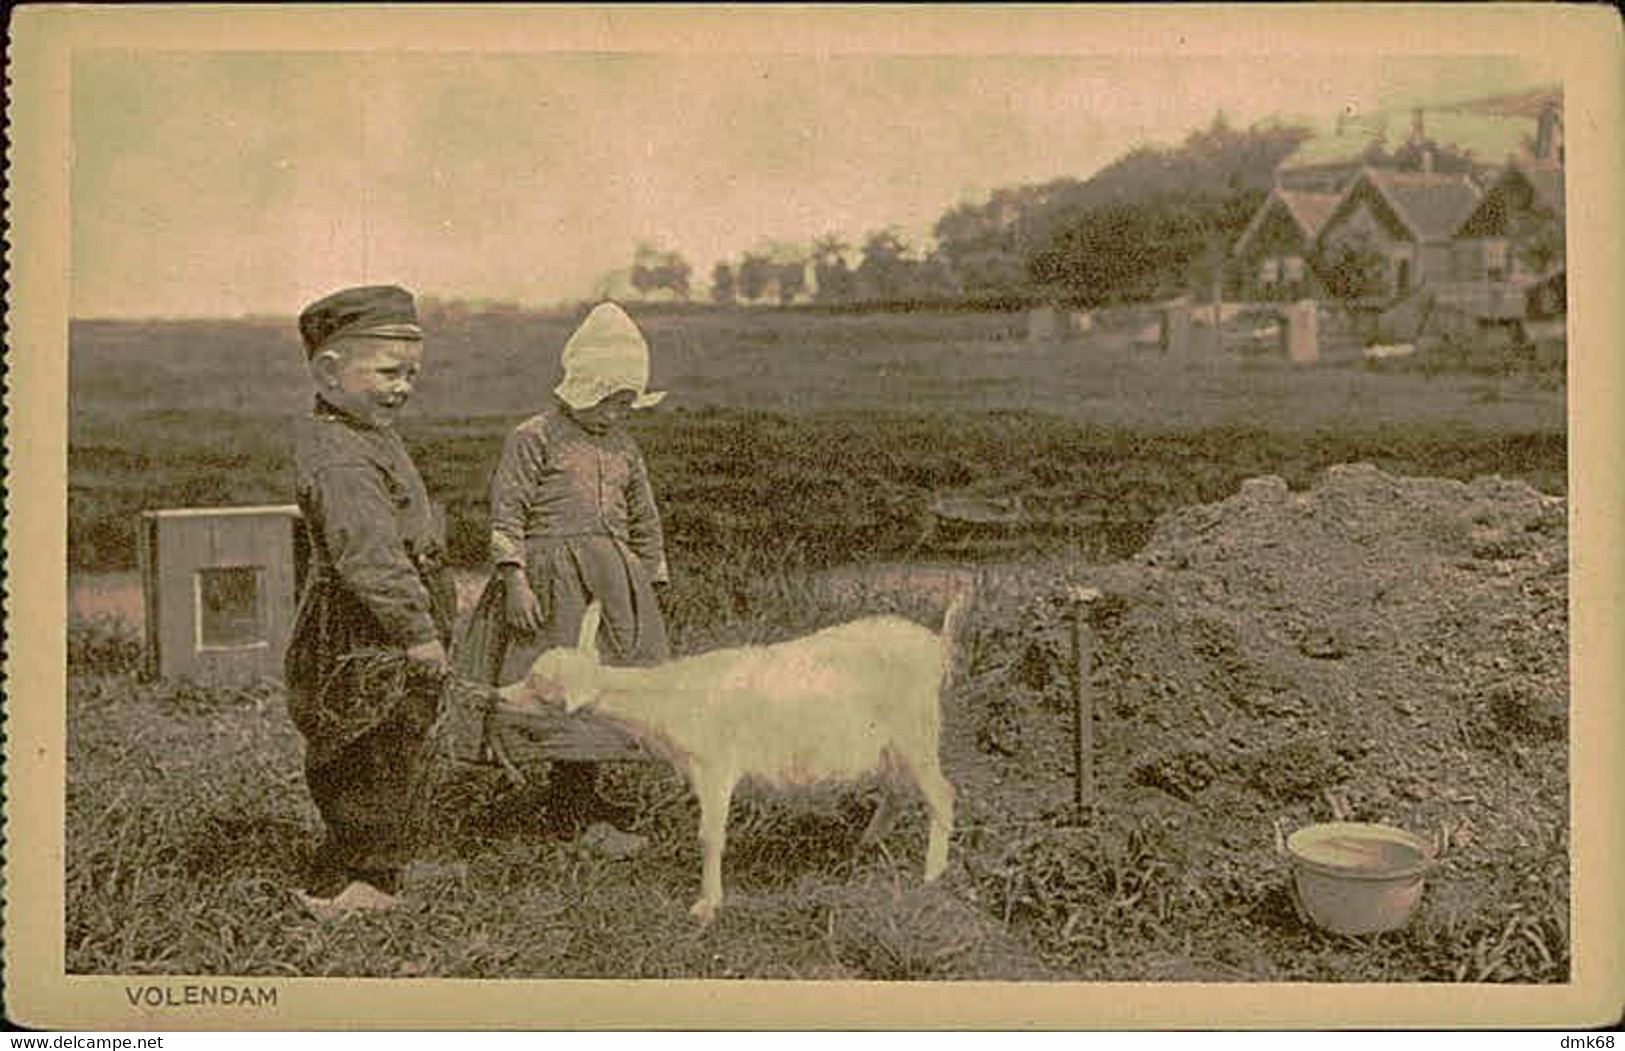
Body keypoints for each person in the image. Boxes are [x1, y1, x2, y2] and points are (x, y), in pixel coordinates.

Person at [458, 301, 670, 840]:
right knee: (555, 683)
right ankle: (565, 804)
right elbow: (508, 511)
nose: (617, 414)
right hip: (553, 587)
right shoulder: (535, 438)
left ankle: (584, 792)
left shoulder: (624, 448)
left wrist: (649, 579)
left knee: (605, 687)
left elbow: (643, 516)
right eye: (608, 401)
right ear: (582, 387)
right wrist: (515, 579)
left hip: (613, 590)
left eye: (626, 405)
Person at [283, 284, 457, 918]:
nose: (403, 386)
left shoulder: (363, 430)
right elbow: (371, 558)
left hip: (383, 615)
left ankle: (363, 864)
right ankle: (369, 880)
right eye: (388, 372)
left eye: (411, 373)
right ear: (330, 370)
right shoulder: (342, 458)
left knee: (390, 740)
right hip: (364, 627)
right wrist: (416, 632)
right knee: (364, 744)